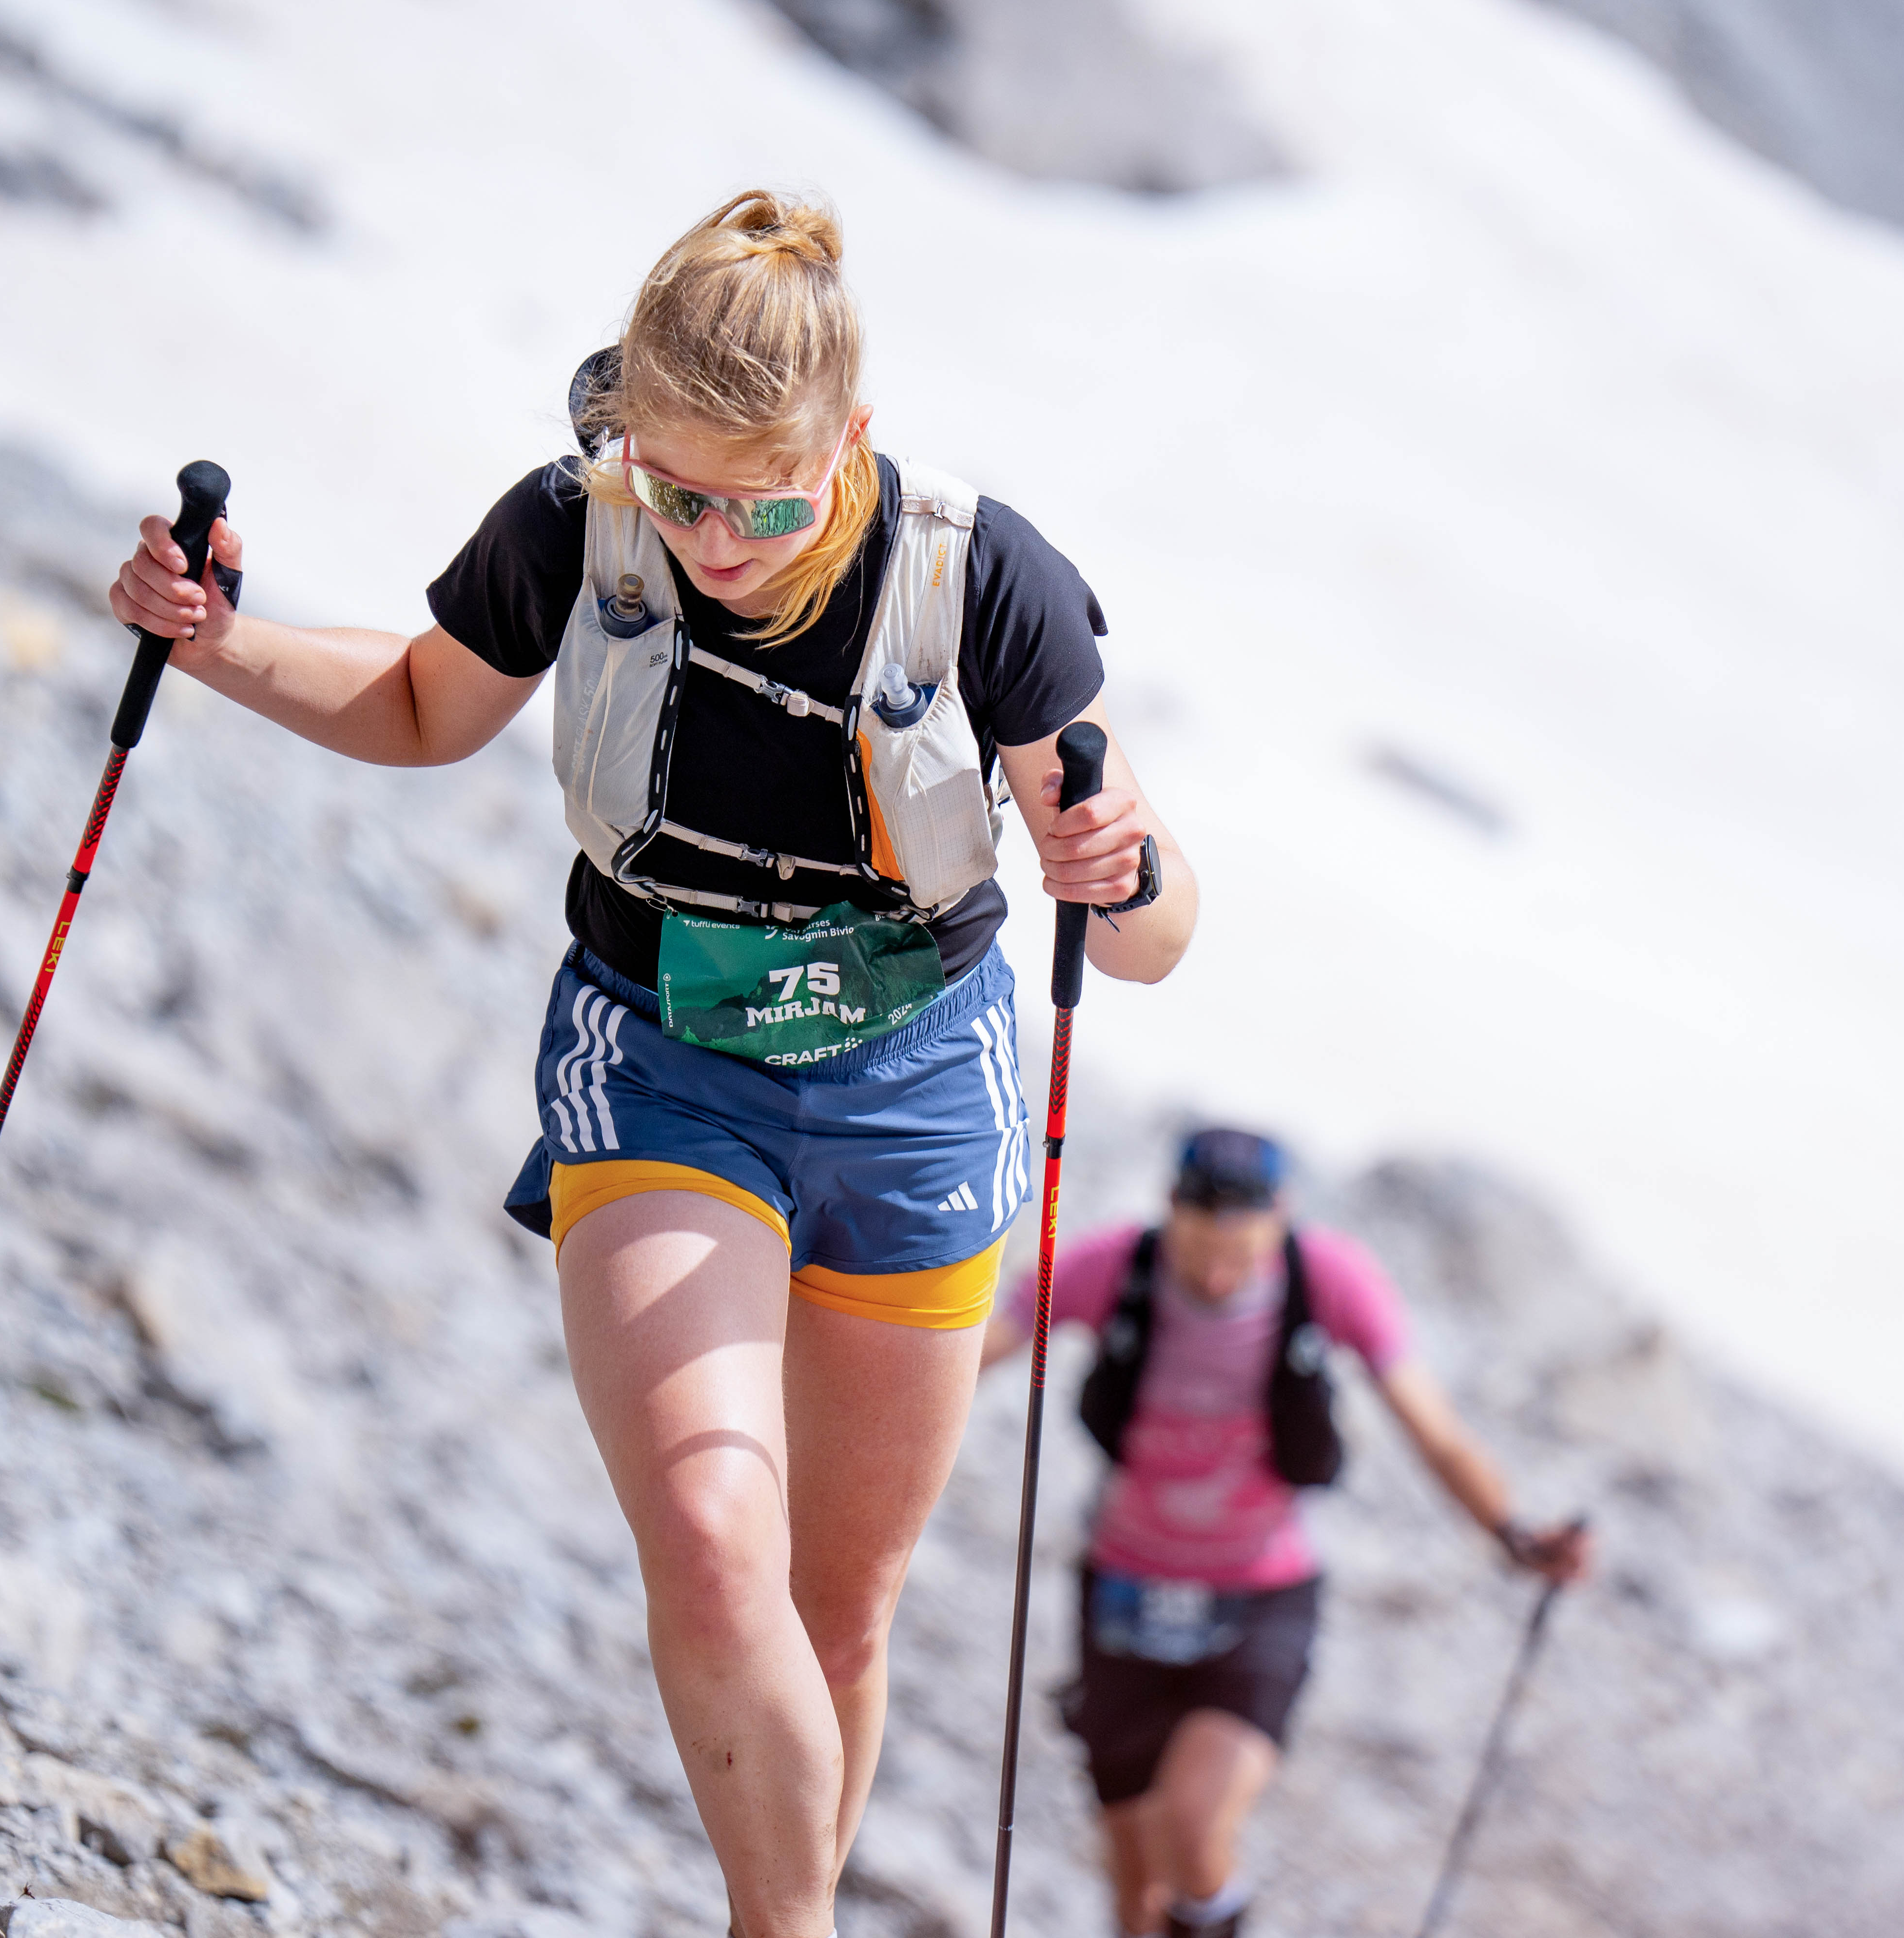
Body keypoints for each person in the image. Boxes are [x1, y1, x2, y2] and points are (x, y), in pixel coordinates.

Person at [108, 191, 1197, 1938]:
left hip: (916, 1086)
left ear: (845, 438)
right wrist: (210, 636)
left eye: (754, 501)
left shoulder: (979, 577)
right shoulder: (578, 527)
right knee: (707, 1532)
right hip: (662, 1057)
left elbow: (1151, 929)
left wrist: (1117, 868)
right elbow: (414, 709)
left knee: (840, 1609)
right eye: (670, 488)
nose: (709, 538)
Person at [985, 1128, 1590, 1938]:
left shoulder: (1328, 1278)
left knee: (1193, 1826)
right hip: (1124, 1592)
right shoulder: (1115, 1265)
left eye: (1240, 1253)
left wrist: (1514, 1533)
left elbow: (1433, 1431)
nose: (1218, 1274)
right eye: (1201, 1252)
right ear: (1171, 1215)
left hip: (1262, 1598)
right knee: (1134, 1886)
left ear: (1283, 1218)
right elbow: (986, 1338)